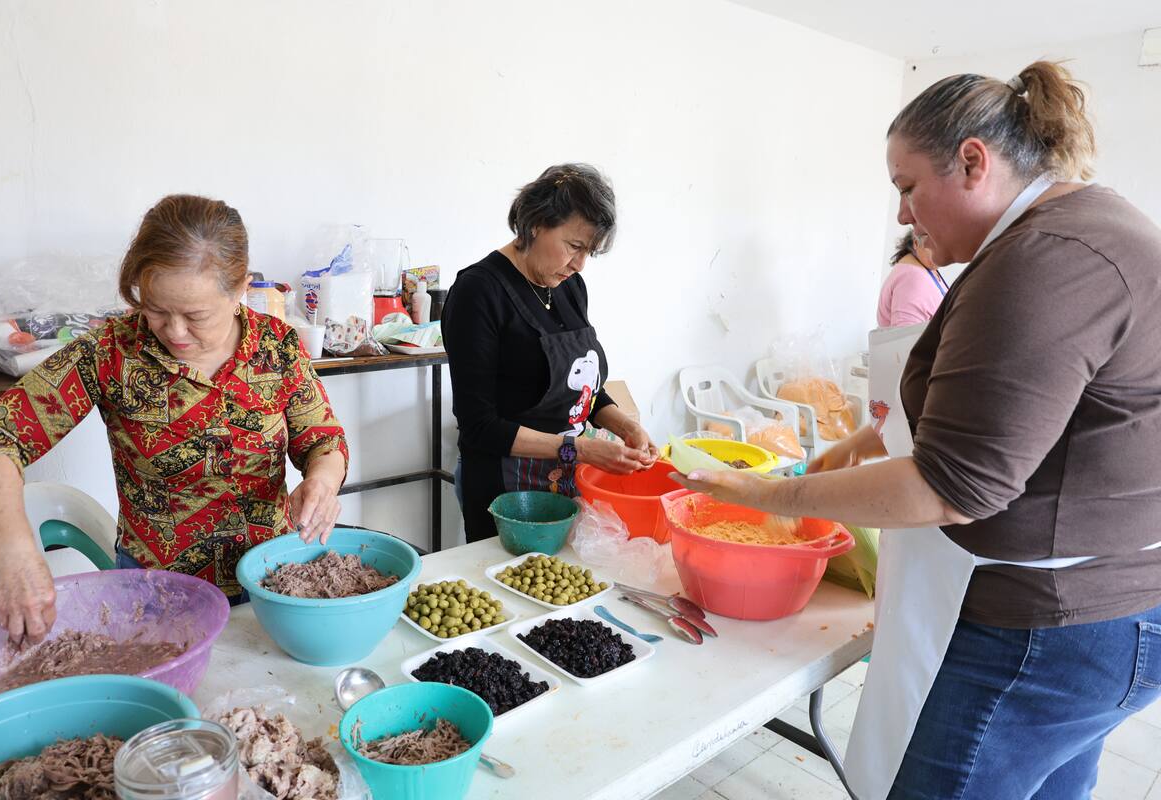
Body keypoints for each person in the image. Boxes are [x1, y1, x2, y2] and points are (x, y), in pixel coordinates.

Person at [676, 61, 1161, 798]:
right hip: (1105, 616)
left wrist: (766, 494)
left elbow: (952, 486)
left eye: (907, 187)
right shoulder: (1081, 228)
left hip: (1046, 633)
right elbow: (1015, 411)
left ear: (973, 161)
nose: (902, 215)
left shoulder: (1045, 260)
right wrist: (865, 441)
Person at [0, 195, 349, 644]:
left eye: (196, 315)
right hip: (155, 595)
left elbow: (323, 440)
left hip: (273, 581)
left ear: (240, 287)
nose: (175, 331)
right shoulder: (111, 352)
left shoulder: (276, 346)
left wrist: (323, 480)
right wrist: (15, 556)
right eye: (157, 309)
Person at [442, 164, 657, 541]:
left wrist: (626, 427)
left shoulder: (570, 287)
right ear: (536, 223)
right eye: (574, 246)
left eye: (588, 252)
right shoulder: (478, 292)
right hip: (507, 492)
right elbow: (479, 427)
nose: (579, 264)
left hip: (567, 483)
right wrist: (581, 450)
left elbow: (586, 390)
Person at [876, 229, 948, 327]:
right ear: (916, 243)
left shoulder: (927, 266)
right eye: (933, 245)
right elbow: (905, 338)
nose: (940, 254)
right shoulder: (912, 278)